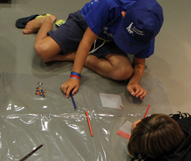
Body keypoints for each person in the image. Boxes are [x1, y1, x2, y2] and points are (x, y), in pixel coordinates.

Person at [20, 0, 163, 99]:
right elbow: (87, 41)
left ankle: (71, 56)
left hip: (110, 39)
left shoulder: (148, 28)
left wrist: (134, 81)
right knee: (42, 50)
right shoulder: (109, 5)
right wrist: (75, 77)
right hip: (85, 25)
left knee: (124, 72)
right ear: (124, 15)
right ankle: (47, 20)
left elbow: (139, 64)